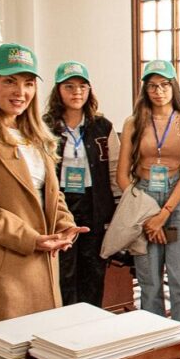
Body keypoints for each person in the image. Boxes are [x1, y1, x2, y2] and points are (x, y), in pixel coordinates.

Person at [0, 43, 86, 348]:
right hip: (1, 266)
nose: (20, 91)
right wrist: (31, 239)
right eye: (10, 81)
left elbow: (50, 191)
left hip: (43, 261)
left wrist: (64, 223)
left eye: (28, 83)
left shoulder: (36, 134)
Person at [115, 60, 180, 355]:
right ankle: (153, 350)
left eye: (164, 85)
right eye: (152, 85)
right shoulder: (132, 122)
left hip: (177, 201)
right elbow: (122, 175)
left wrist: (163, 214)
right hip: (142, 197)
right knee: (149, 282)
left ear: (173, 87)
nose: (158, 91)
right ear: (145, 89)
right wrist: (148, 211)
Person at [43, 61, 120, 307]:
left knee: (94, 268)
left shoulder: (102, 126)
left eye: (82, 86)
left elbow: (114, 169)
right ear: (58, 91)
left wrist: (116, 206)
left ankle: (92, 322)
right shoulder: (45, 126)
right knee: (64, 268)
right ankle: (65, 324)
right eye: (69, 86)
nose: (77, 92)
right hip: (62, 202)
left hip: (94, 202)